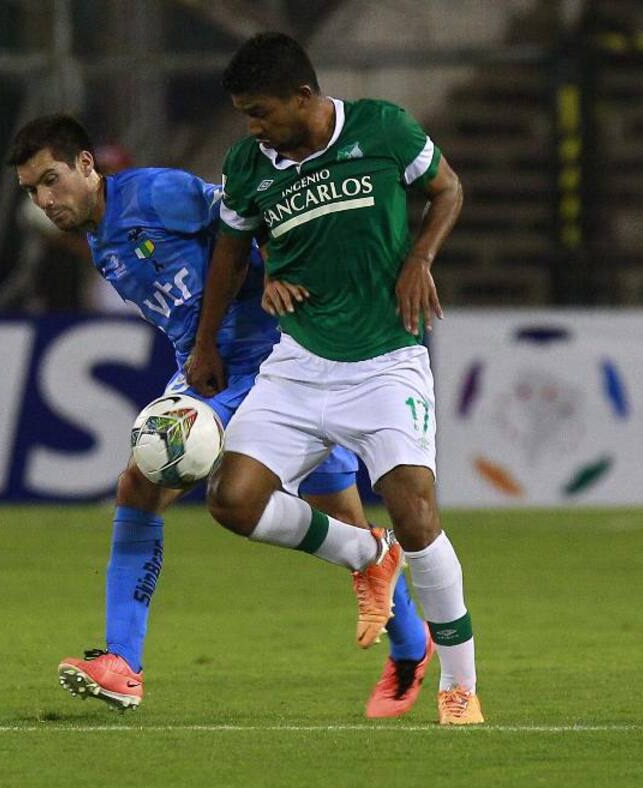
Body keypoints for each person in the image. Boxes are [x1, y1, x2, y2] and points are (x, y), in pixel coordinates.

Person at [6, 114, 434, 717]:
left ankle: (124, 662)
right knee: (340, 521)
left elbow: (247, 218)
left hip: (265, 354)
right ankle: (411, 645)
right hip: (212, 364)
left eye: (51, 180)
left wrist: (277, 274)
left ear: (86, 164)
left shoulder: (154, 193)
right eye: (32, 191)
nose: (45, 200)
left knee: (142, 484)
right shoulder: (100, 238)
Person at [186, 33, 483, 725]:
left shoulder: (382, 128)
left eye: (260, 113)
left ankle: (459, 687)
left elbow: (448, 190)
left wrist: (420, 258)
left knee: (416, 516)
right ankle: (363, 551)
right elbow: (230, 255)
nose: (253, 128)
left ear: (302, 97)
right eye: (245, 116)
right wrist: (207, 341)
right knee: (231, 501)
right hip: (298, 364)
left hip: (385, 361)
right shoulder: (249, 166)